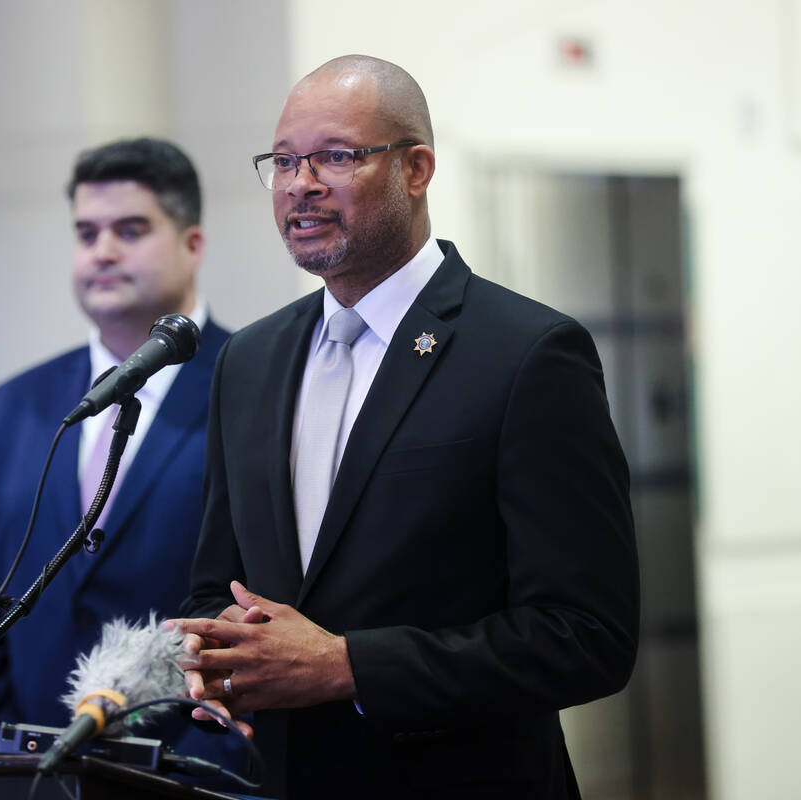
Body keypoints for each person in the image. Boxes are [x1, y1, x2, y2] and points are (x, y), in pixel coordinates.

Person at [171, 55, 640, 798]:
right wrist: (213, 650)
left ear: (416, 169)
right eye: (285, 161)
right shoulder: (250, 360)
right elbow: (213, 584)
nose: (301, 183)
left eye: (335, 156)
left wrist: (348, 665)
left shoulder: (526, 354)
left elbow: (587, 638)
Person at [0, 137, 231, 755]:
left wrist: (208, 764)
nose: (102, 251)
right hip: (25, 777)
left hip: (194, 777)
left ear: (192, 244)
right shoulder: (15, 406)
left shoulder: (254, 383)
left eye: (130, 229)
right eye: (86, 232)